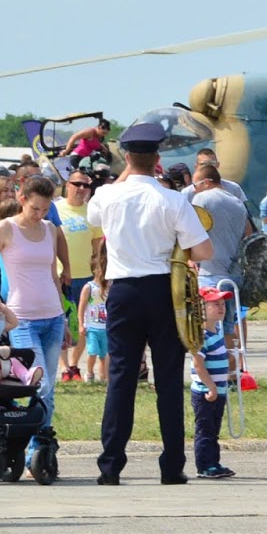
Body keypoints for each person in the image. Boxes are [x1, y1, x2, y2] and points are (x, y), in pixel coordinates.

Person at [88, 121, 212, 486]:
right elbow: (204, 250)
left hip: (123, 290)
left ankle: (110, 466)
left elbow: (96, 216)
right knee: (169, 379)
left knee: (121, 379)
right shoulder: (172, 199)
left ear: (126, 157)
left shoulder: (107, 195)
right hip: (163, 290)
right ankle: (172, 466)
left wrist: (128, 169)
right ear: (158, 160)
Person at [0, 175, 70, 469]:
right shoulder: (5, 228)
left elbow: (53, 273)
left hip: (51, 315)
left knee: (49, 390)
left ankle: (40, 449)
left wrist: (63, 317)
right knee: (40, 384)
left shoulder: (51, 230)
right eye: (35, 208)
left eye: (45, 209)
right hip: (22, 319)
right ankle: (25, 445)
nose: (40, 215)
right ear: (22, 199)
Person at [54, 170, 104, 381]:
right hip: (59, 275)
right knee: (60, 322)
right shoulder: (56, 208)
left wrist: (99, 272)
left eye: (86, 185)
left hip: (86, 276)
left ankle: (75, 365)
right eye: (77, 184)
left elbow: (98, 246)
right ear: (68, 185)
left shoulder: (91, 211)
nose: (82, 189)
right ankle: (64, 367)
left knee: (85, 324)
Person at [191, 287, 235, 479]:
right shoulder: (201, 334)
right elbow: (198, 365)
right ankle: (205, 465)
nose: (221, 308)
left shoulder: (216, 329)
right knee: (205, 429)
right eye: (215, 304)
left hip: (219, 390)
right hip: (205, 392)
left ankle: (214, 462)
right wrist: (210, 386)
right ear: (202, 308)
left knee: (214, 428)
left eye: (223, 304)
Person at [188, 163, 252, 293]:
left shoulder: (201, 198)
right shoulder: (238, 202)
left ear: (206, 182)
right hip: (235, 274)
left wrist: (189, 258)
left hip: (210, 273)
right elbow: (248, 233)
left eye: (195, 185)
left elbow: (191, 230)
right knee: (231, 313)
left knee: (210, 313)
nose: (194, 190)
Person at [76, 256, 109, 383]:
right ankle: (89, 373)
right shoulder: (89, 287)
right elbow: (82, 306)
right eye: (101, 268)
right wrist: (81, 324)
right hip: (92, 326)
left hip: (105, 327)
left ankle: (103, 376)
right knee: (92, 352)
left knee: (104, 354)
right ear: (95, 270)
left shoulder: (109, 286)